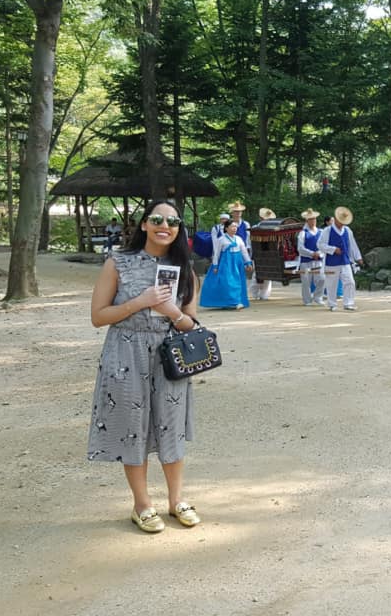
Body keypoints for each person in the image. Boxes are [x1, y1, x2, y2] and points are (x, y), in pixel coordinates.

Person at [87, 200, 202, 533]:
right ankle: (141, 504)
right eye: (156, 219)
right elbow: (98, 316)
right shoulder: (118, 262)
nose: (164, 226)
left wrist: (171, 311)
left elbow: (191, 324)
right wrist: (141, 302)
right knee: (132, 426)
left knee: (171, 424)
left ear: (179, 229)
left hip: (170, 355)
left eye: (173, 222)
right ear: (143, 225)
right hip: (126, 353)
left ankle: (176, 499)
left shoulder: (185, 269)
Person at [200, 217, 253, 310]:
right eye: (232, 227)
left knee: (238, 282)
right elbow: (216, 253)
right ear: (226, 228)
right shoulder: (221, 239)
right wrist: (215, 266)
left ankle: (238, 301)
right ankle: (233, 302)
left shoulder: (239, 239)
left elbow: (244, 251)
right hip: (226, 263)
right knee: (229, 282)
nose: (234, 228)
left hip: (237, 263)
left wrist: (248, 263)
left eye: (236, 227)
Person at [319, 206, 364, 312]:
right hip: (331, 262)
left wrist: (358, 257)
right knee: (331, 283)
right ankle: (332, 304)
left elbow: (352, 245)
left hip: (345, 260)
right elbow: (320, 244)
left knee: (350, 281)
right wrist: (333, 249)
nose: (342, 223)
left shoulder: (347, 230)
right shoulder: (327, 230)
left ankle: (348, 303)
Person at [297, 208, 326, 306]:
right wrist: (311, 253)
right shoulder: (303, 233)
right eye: (311, 219)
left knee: (322, 278)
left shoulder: (321, 232)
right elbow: (300, 248)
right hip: (306, 261)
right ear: (307, 220)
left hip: (318, 260)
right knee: (306, 281)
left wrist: (319, 253)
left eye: (314, 219)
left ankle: (318, 297)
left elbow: (324, 245)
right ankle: (307, 300)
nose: (313, 221)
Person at [250, 207, 276, 301]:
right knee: (257, 274)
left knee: (269, 275)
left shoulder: (273, 228)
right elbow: (251, 243)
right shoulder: (255, 228)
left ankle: (264, 295)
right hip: (258, 253)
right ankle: (254, 293)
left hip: (270, 253)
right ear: (260, 218)